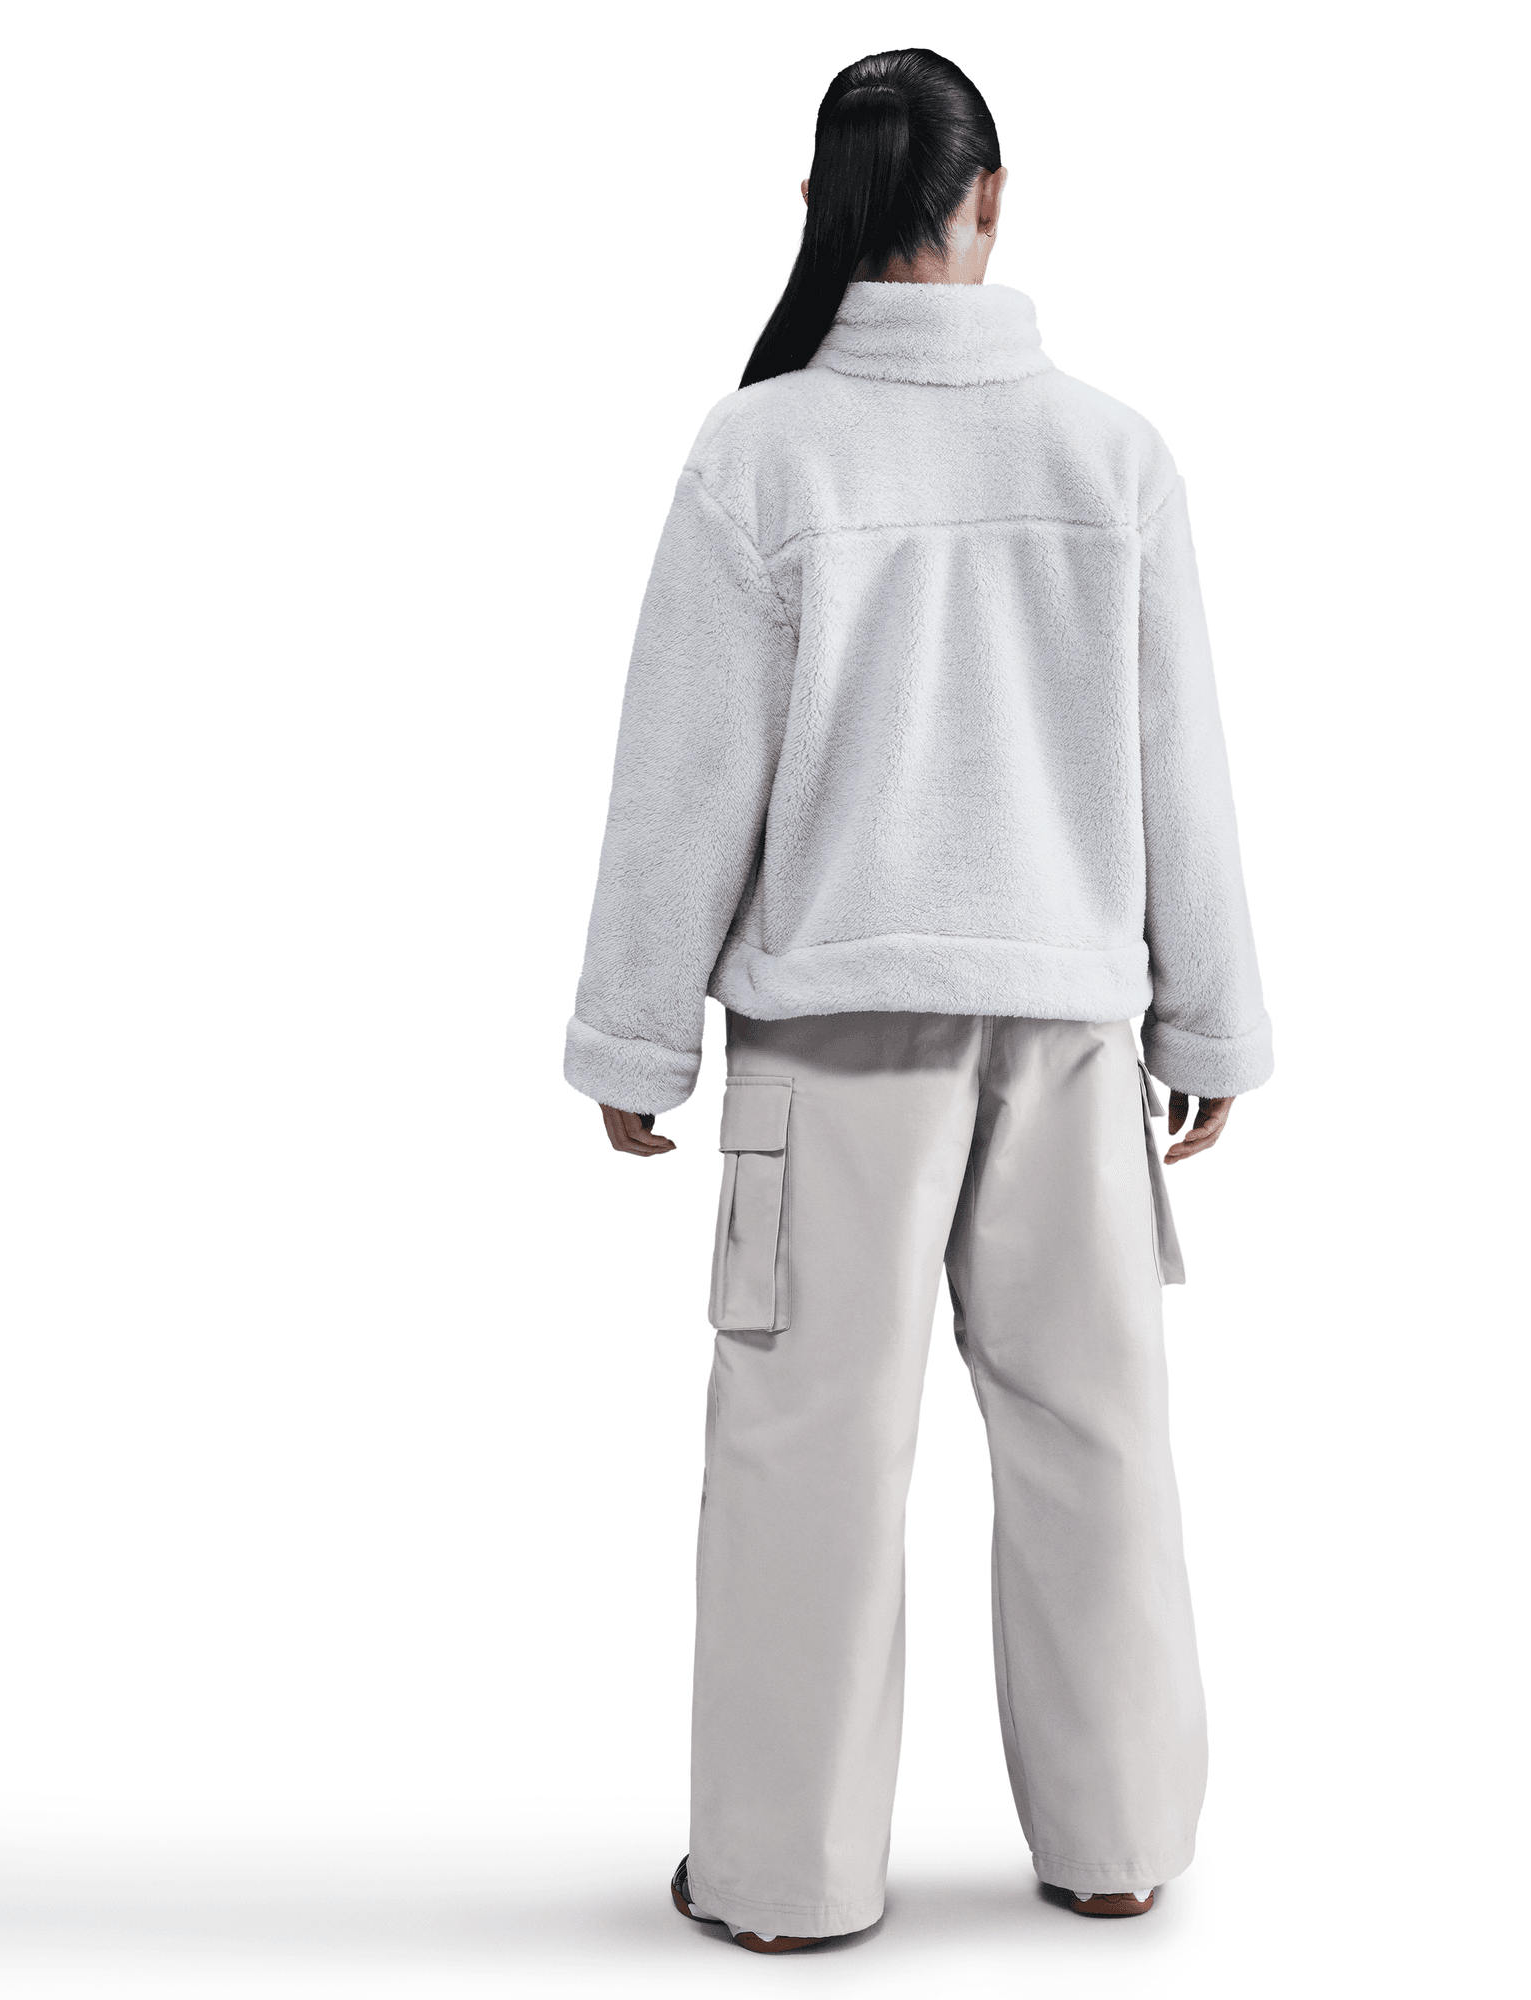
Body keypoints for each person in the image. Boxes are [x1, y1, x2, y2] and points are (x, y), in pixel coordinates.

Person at [562, 47, 1272, 1954]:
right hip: (1071, 1030)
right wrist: (1211, 1021)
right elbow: (1183, 768)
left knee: (807, 1451)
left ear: (824, 207)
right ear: (993, 197)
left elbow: (683, 776)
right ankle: (1118, 1845)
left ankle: (785, 1884)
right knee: (1096, 1438)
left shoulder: (760, 452)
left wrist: (636, 1034)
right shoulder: (1112, 457)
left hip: (832, 1040)